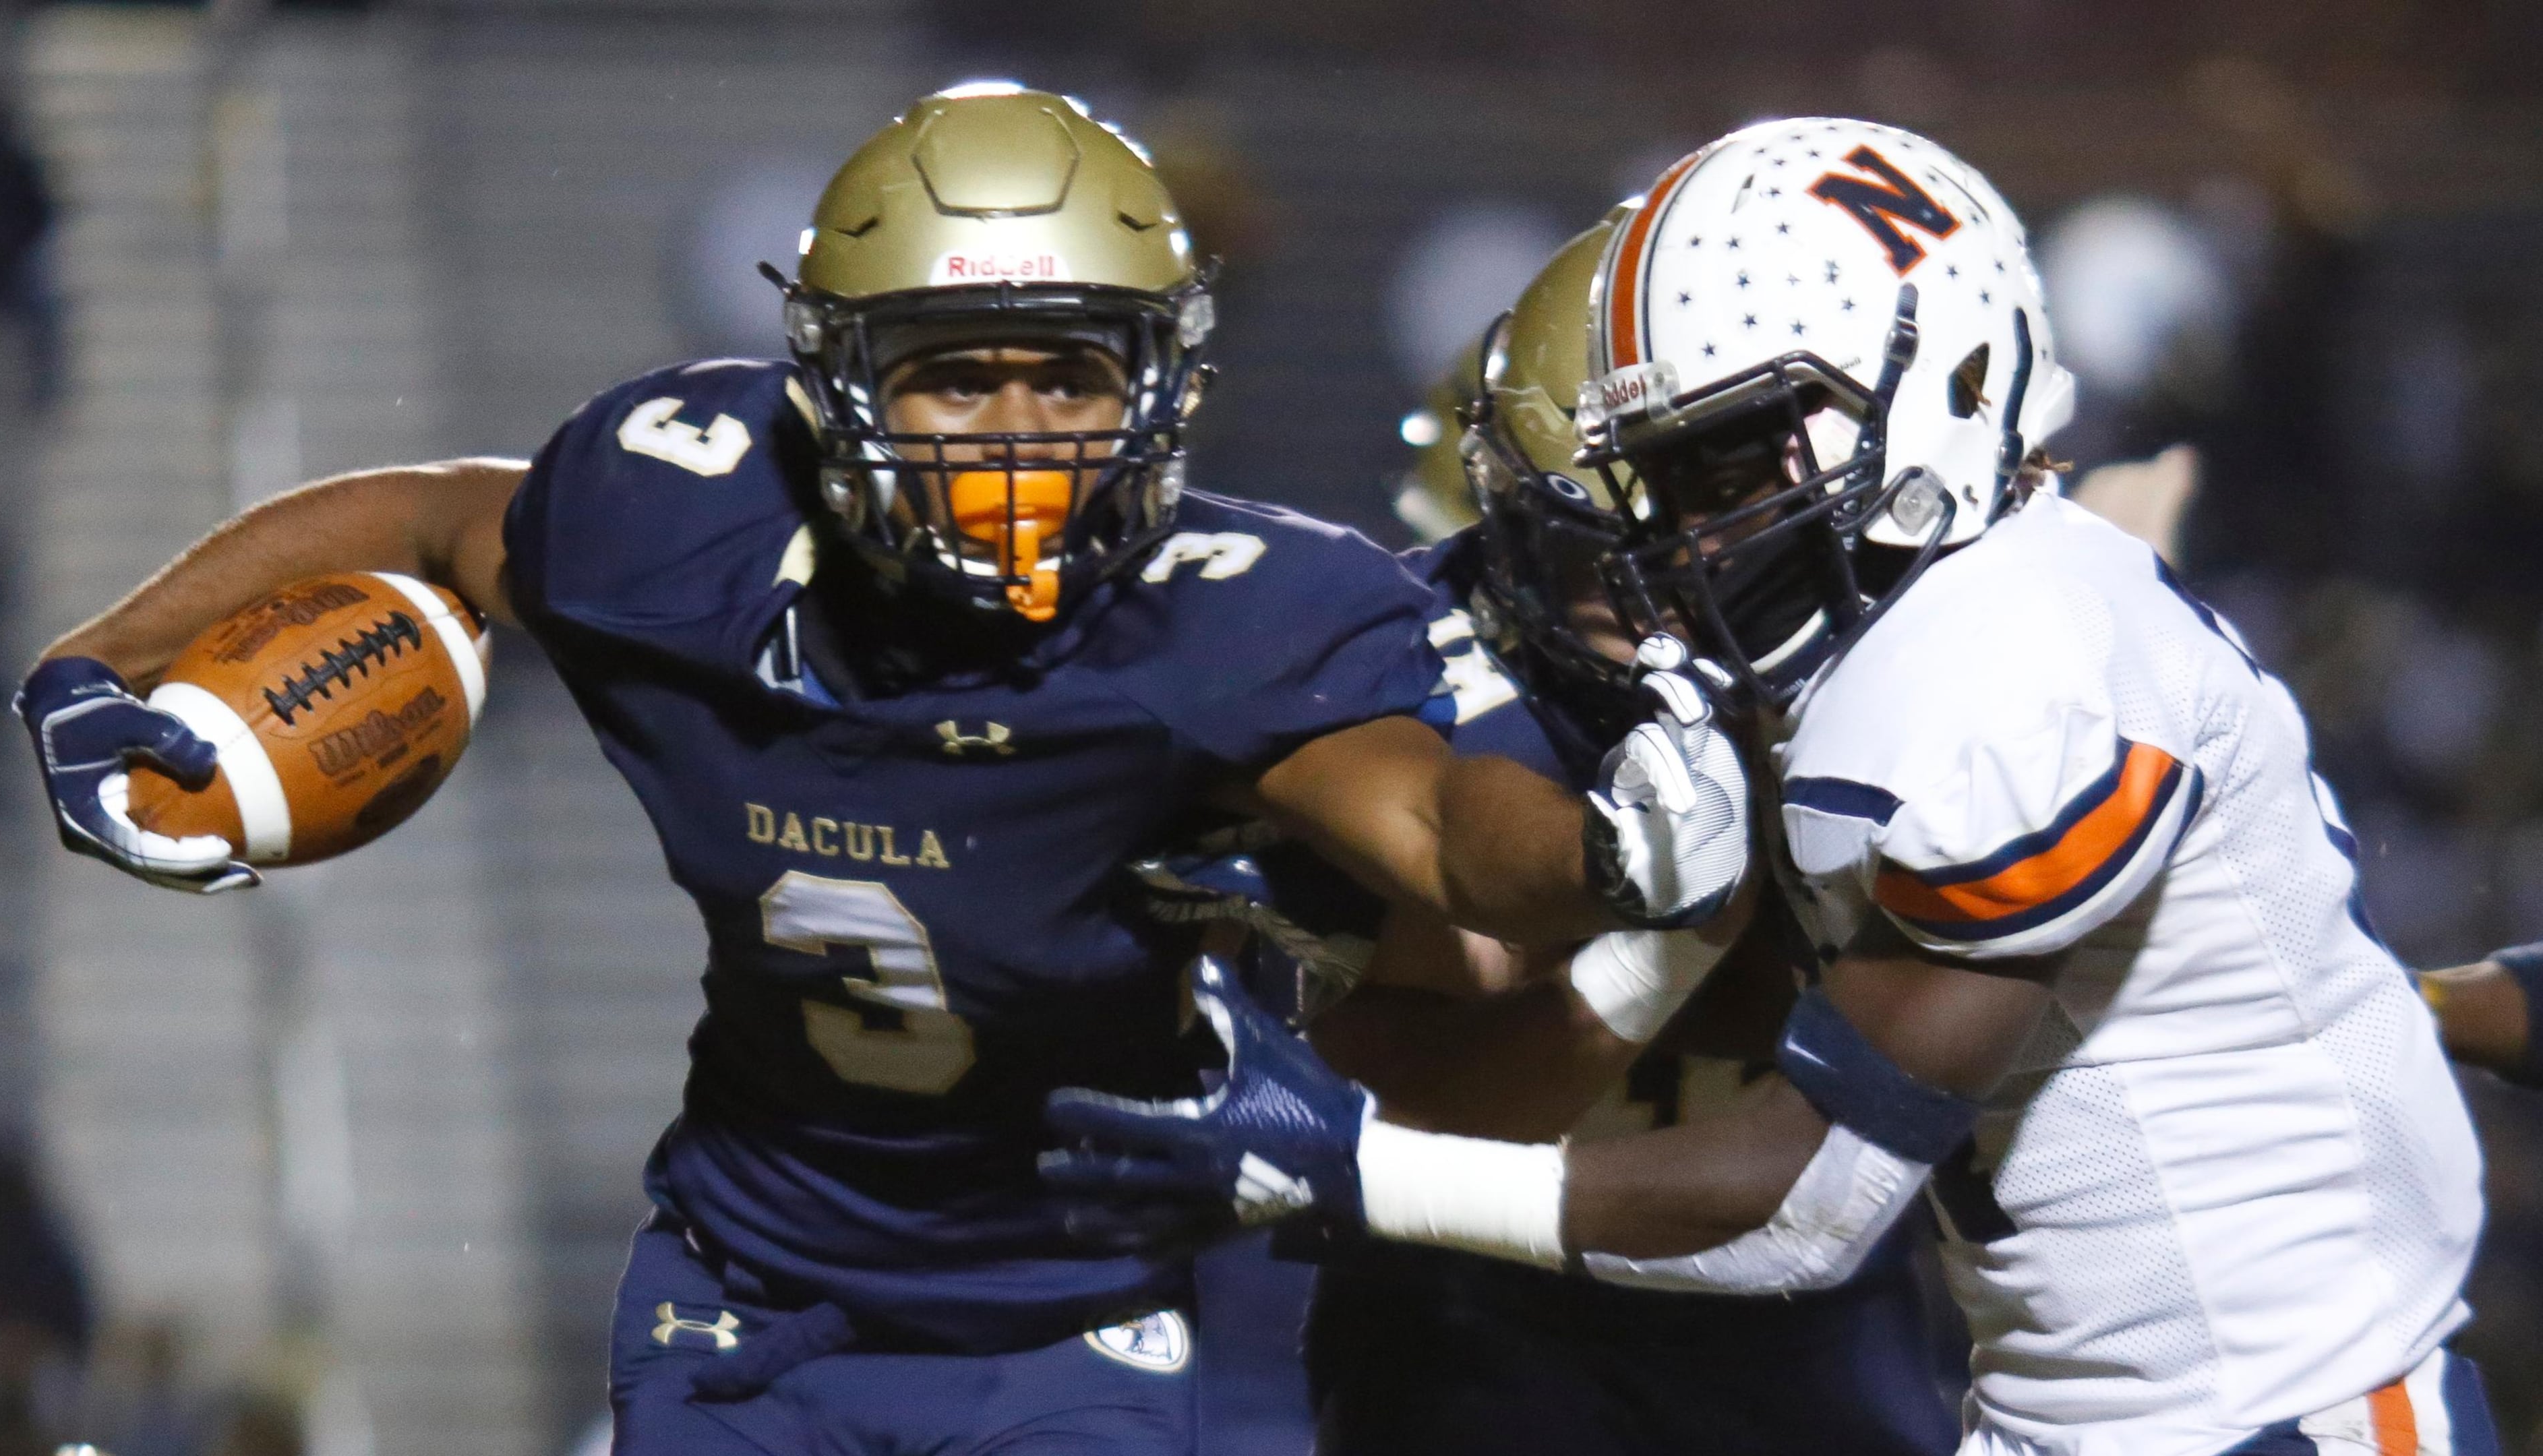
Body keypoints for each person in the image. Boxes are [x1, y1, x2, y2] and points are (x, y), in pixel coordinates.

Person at [11, 86, 1754, 1455]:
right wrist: (95, 667)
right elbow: (420, 520)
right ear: (838, 387)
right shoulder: (675, 518)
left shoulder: (1231, 618)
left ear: (1161, 389)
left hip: (1070, 1321)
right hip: (746, 1289)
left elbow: (1456, 839)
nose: (1017, 438)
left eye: (1067, 377)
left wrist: (1612, 854)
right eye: (958, 379)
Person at [1045, 119, 2499, 1455]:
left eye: (1731, 458)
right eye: (1666, 478)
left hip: (2264, 1412)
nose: (1686, 536)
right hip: (2092, 1404)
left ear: (1951, 375)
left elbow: (1802, 1213)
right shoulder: (1937, 627)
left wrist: (1369, 1173)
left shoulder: (1999, 669)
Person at [1172, 213, 1963, 1455]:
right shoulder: (1412, 695)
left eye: (1688, 532)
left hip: (1801, 1281)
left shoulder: (1911, 651)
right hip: (1484, 1291)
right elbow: (1399, 1097)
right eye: (1598, 546)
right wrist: (1676, 926)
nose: (1651, 599)